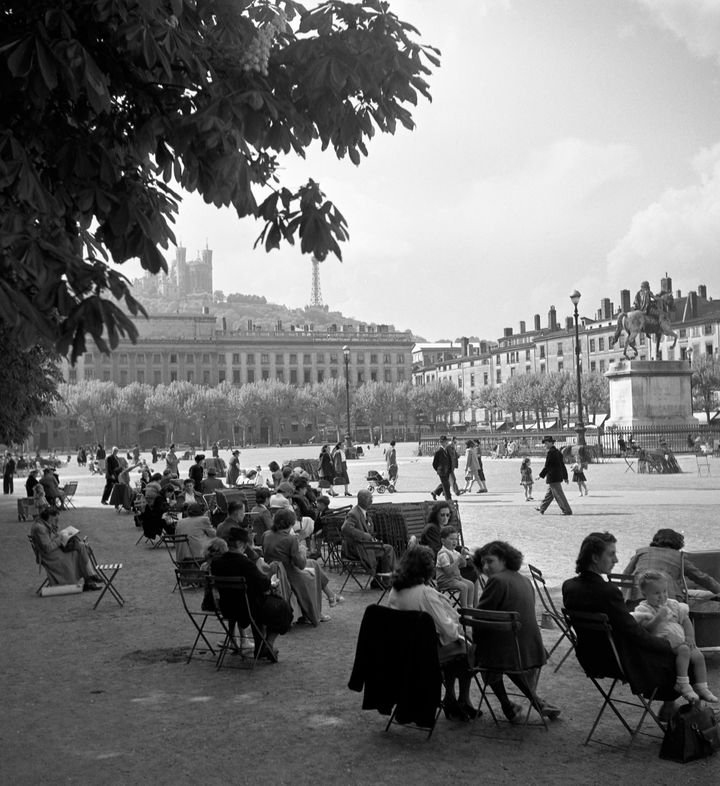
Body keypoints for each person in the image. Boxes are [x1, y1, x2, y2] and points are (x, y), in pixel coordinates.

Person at [562, 531, 680, 720]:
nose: (616, 559)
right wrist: (667, 645)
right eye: (611, 554)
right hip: (620, 660)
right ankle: (677, 710)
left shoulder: (569, 586)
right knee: (681, 657)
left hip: (591, 657)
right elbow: (633, 634)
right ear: (594, 557)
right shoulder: (608, 591)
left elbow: (623, 625)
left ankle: (671, 707)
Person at [474, 540, 561, 722]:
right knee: (499, 651)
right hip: (531, 649)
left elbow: (480, 618)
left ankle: (507, 705)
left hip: (510, 652)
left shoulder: (497, 581)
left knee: (482, 653)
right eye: (483, 563)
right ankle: (536, 701)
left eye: (490, 561)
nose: (485, 567)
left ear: (504, 560)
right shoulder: (524, 580)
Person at [388, 545, 477, 722]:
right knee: (470, 649)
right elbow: (450, 631)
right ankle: (461, 699)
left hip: (403, 648)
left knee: (457, 646)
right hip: (425, 652)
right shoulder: (425, 594)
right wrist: (452, 617)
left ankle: (452, 698)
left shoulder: (395, 590)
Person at [631, 570, 717, 702]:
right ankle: (682, 683)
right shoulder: (644, 609)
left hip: (681, 641)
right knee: (684, 651)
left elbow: (686, 620)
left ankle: (702, 686)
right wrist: (658, 618)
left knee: (698, 656)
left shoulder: (673, 604)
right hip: (663, 643)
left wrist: (690, 637)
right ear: (644, 594)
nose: (662, 596)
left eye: (664, 591)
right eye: (656, 593)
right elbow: (646, 630)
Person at [210, 527, 283, 661]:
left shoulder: (216, 562)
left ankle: (262, 646)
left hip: (226, 607)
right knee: (282, 608)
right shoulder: (245, 564)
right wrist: (272, 578)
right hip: (247, 608)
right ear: (242, 545)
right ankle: (266, 645)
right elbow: (264, 584)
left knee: (259, 604)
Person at [262, 508, 335, 624]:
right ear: (291, 523)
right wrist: (302, 550)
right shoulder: (290, 539)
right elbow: (300, 564)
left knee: (314, 564)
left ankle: (330, 595)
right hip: (289, 573)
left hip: (275, 570)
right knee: (313, 572)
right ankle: (317, 611)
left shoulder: (266, 534)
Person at [622, 528, 720, 606]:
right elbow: (701, 577)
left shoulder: (642, 552)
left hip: (633, 598)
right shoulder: (678, 557)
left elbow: (625, 575)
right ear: (677, 543)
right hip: (667, 600)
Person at [30, 509, 102, 590]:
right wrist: (60, 538)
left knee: (81, 547)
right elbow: (48, 548)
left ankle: (89, 578)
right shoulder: (40, 528)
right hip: (49, 556)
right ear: (50, 517)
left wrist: (56, 528)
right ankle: (89, 578)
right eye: (55, 519)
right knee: (79, 551)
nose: (56, 520)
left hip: (51, 552)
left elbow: (51, 539)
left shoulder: (43, 523)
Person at [341, 489, 396, 579]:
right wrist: (364, 535)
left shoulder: (364, 513)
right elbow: (345, 528)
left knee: (385, 549)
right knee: (388, 549)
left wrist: (372, 538)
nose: (371, 501)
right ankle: (387, 580)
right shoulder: (354, 513)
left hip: (365, 545)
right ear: (361, 499)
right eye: (369, 498)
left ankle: (380, 580)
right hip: (357, 548)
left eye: (372, 498)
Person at [436, 526, 478, 608]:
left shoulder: (454, 552)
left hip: (455, 578)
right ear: (443, 541)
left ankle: (470, 607)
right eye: (451, 539)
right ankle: (464, 609)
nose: (454, 541)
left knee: (471, 585)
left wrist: (463, 556)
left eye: (456, 539)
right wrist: (458, 560)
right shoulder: (443, 554)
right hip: (445, 580)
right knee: (464, 587)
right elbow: (448, 572)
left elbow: (463, 565)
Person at [536, 435, 572, 515]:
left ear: (549, 443)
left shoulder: (551, 453)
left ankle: (567, 510)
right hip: (557, 476)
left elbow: (547, 466)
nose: (544, 445)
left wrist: (540, 475)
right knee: (549, 494)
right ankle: (542, 508)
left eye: (545, 443)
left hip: (553, 477)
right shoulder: (558, 452)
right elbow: (562, 465)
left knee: (559, 495)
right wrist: (565, 476)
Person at [430, 435, 453, 501]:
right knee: (446, 486)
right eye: (444, 442)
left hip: (447, 471)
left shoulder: (447, 451)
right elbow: (434, 464)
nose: (446, 443)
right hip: (442, 472)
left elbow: (449, 461)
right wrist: (439, 470)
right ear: (441, 442)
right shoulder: (438, 452)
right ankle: (448, 499)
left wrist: (450, 469)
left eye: (446, 442)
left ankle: (435, 492)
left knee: (446, 484)